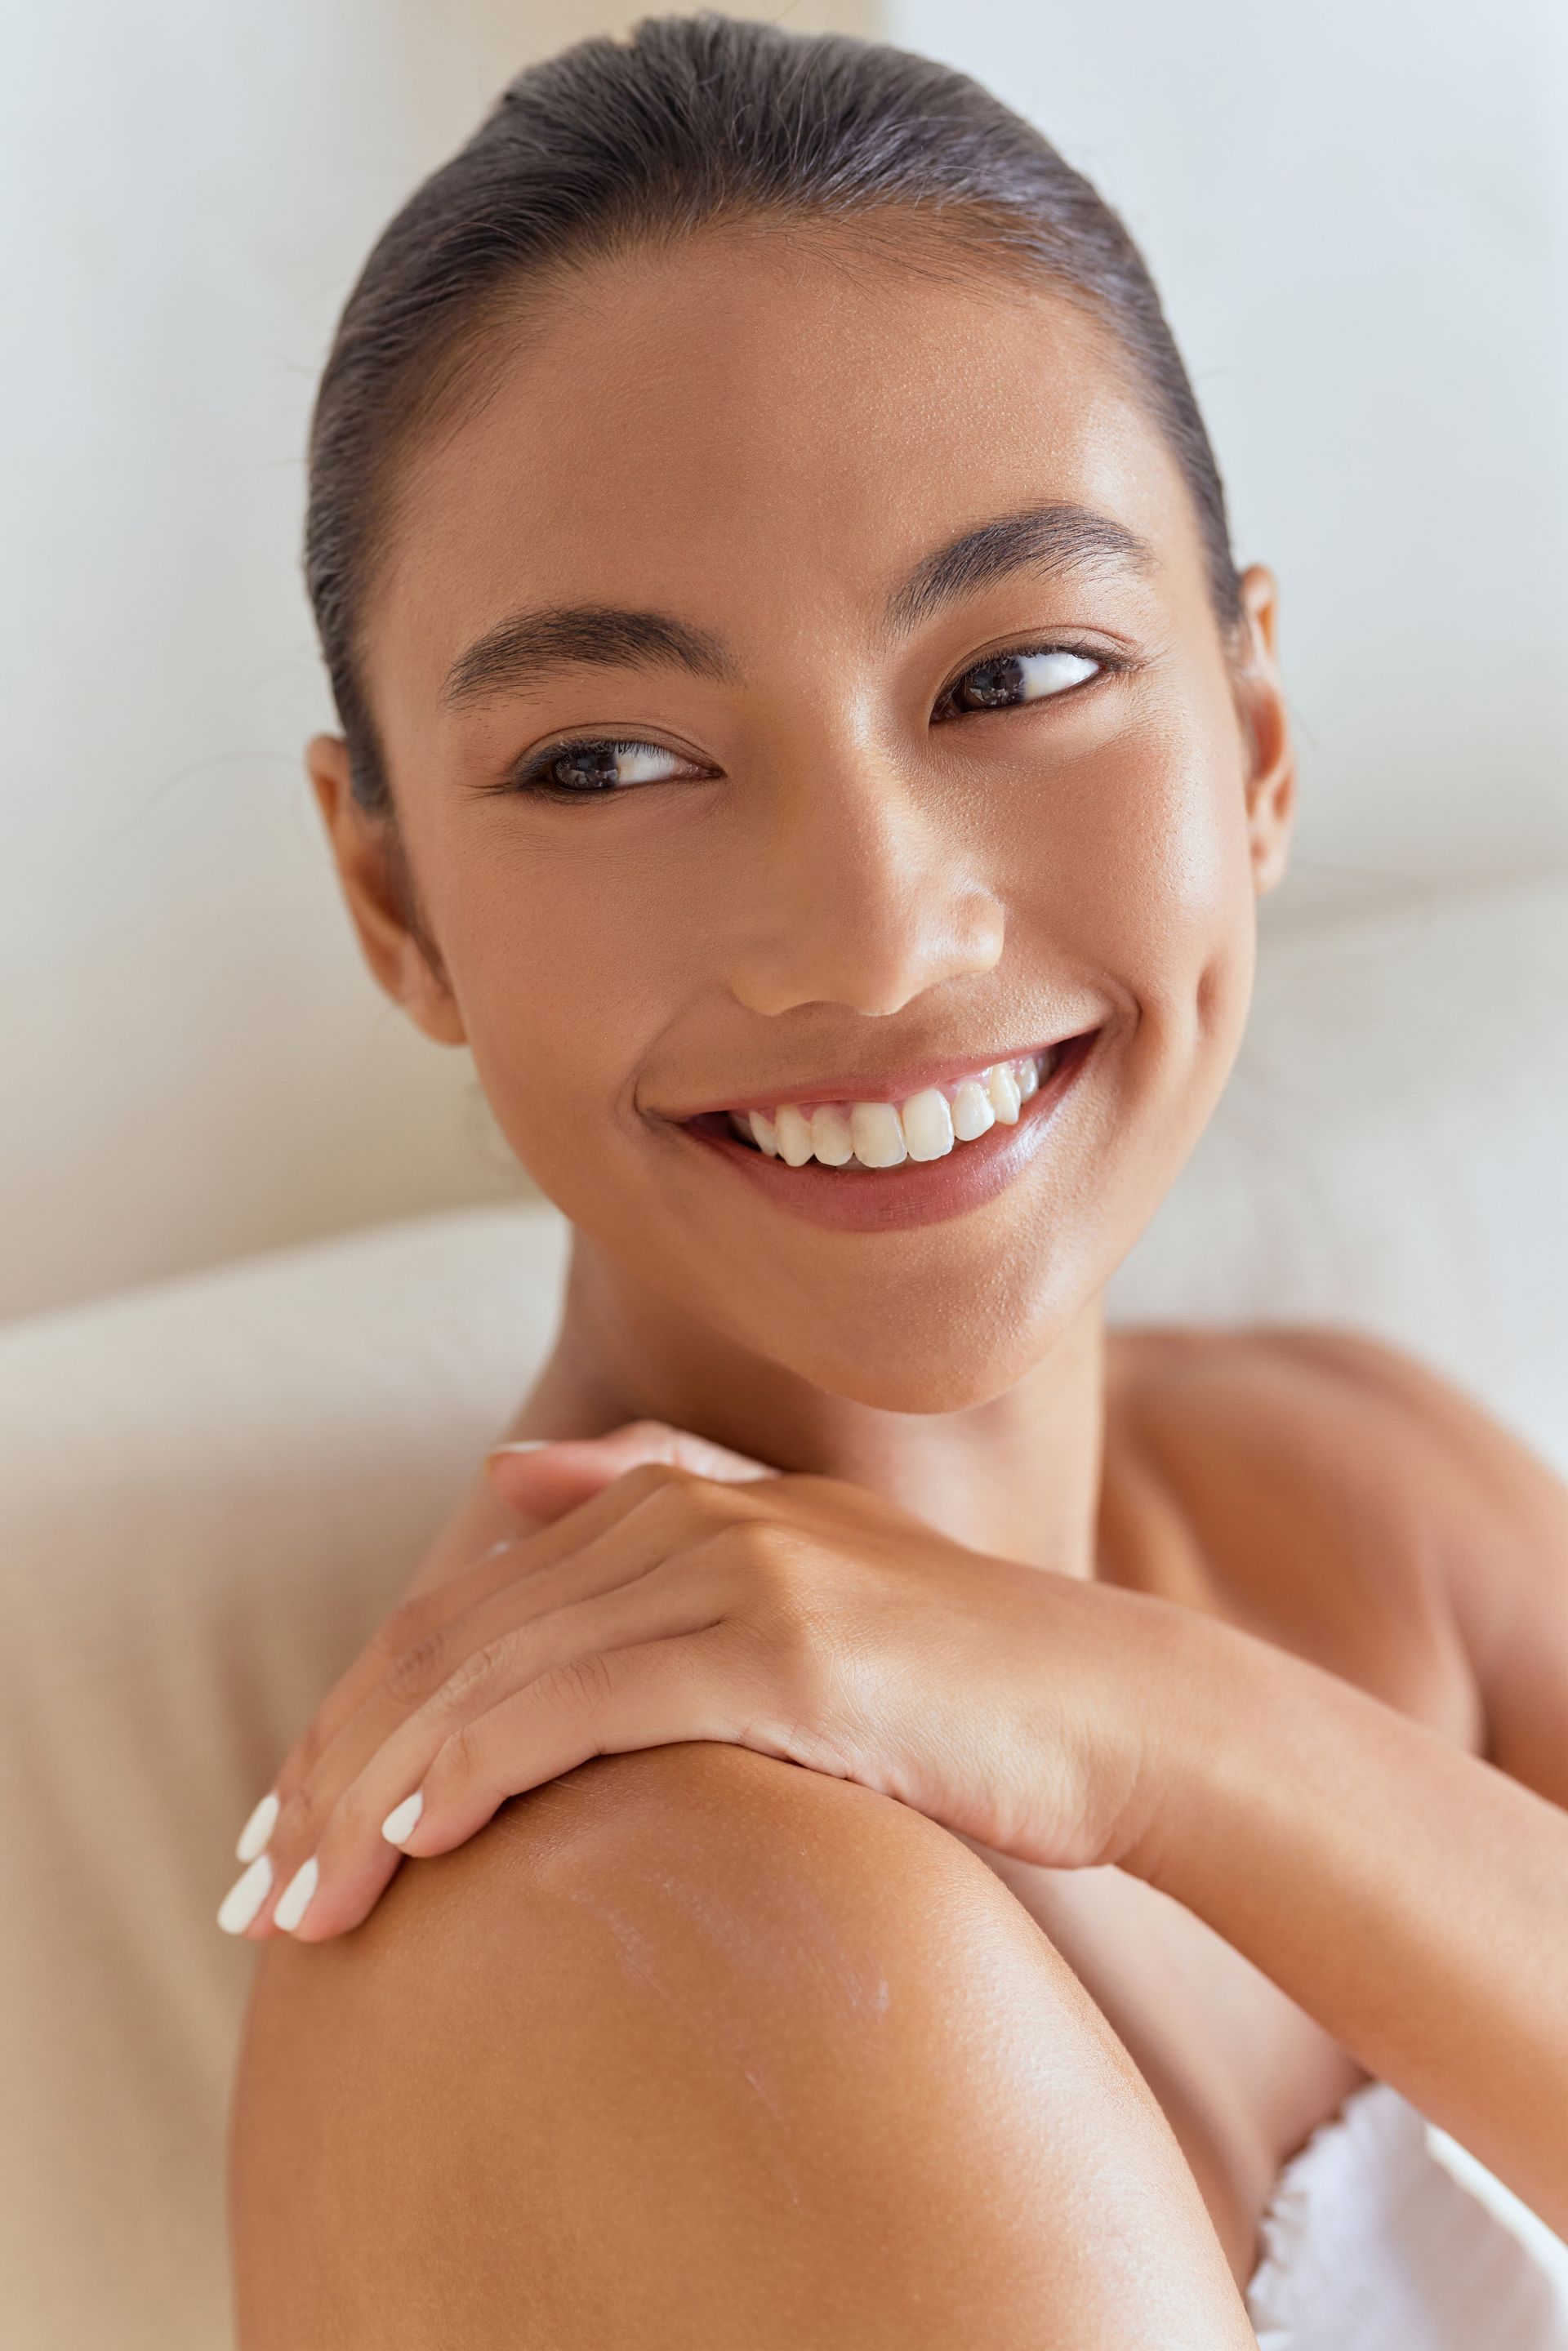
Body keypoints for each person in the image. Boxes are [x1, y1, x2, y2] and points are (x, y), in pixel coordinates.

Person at [219, 16, 1568, 2345]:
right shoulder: (654, 1933)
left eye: (1017, 671)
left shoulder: (1359, 1501)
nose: (868, 937)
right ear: (391, 900)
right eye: (612, 756)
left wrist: (1137, 1721)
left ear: (1250, 739)